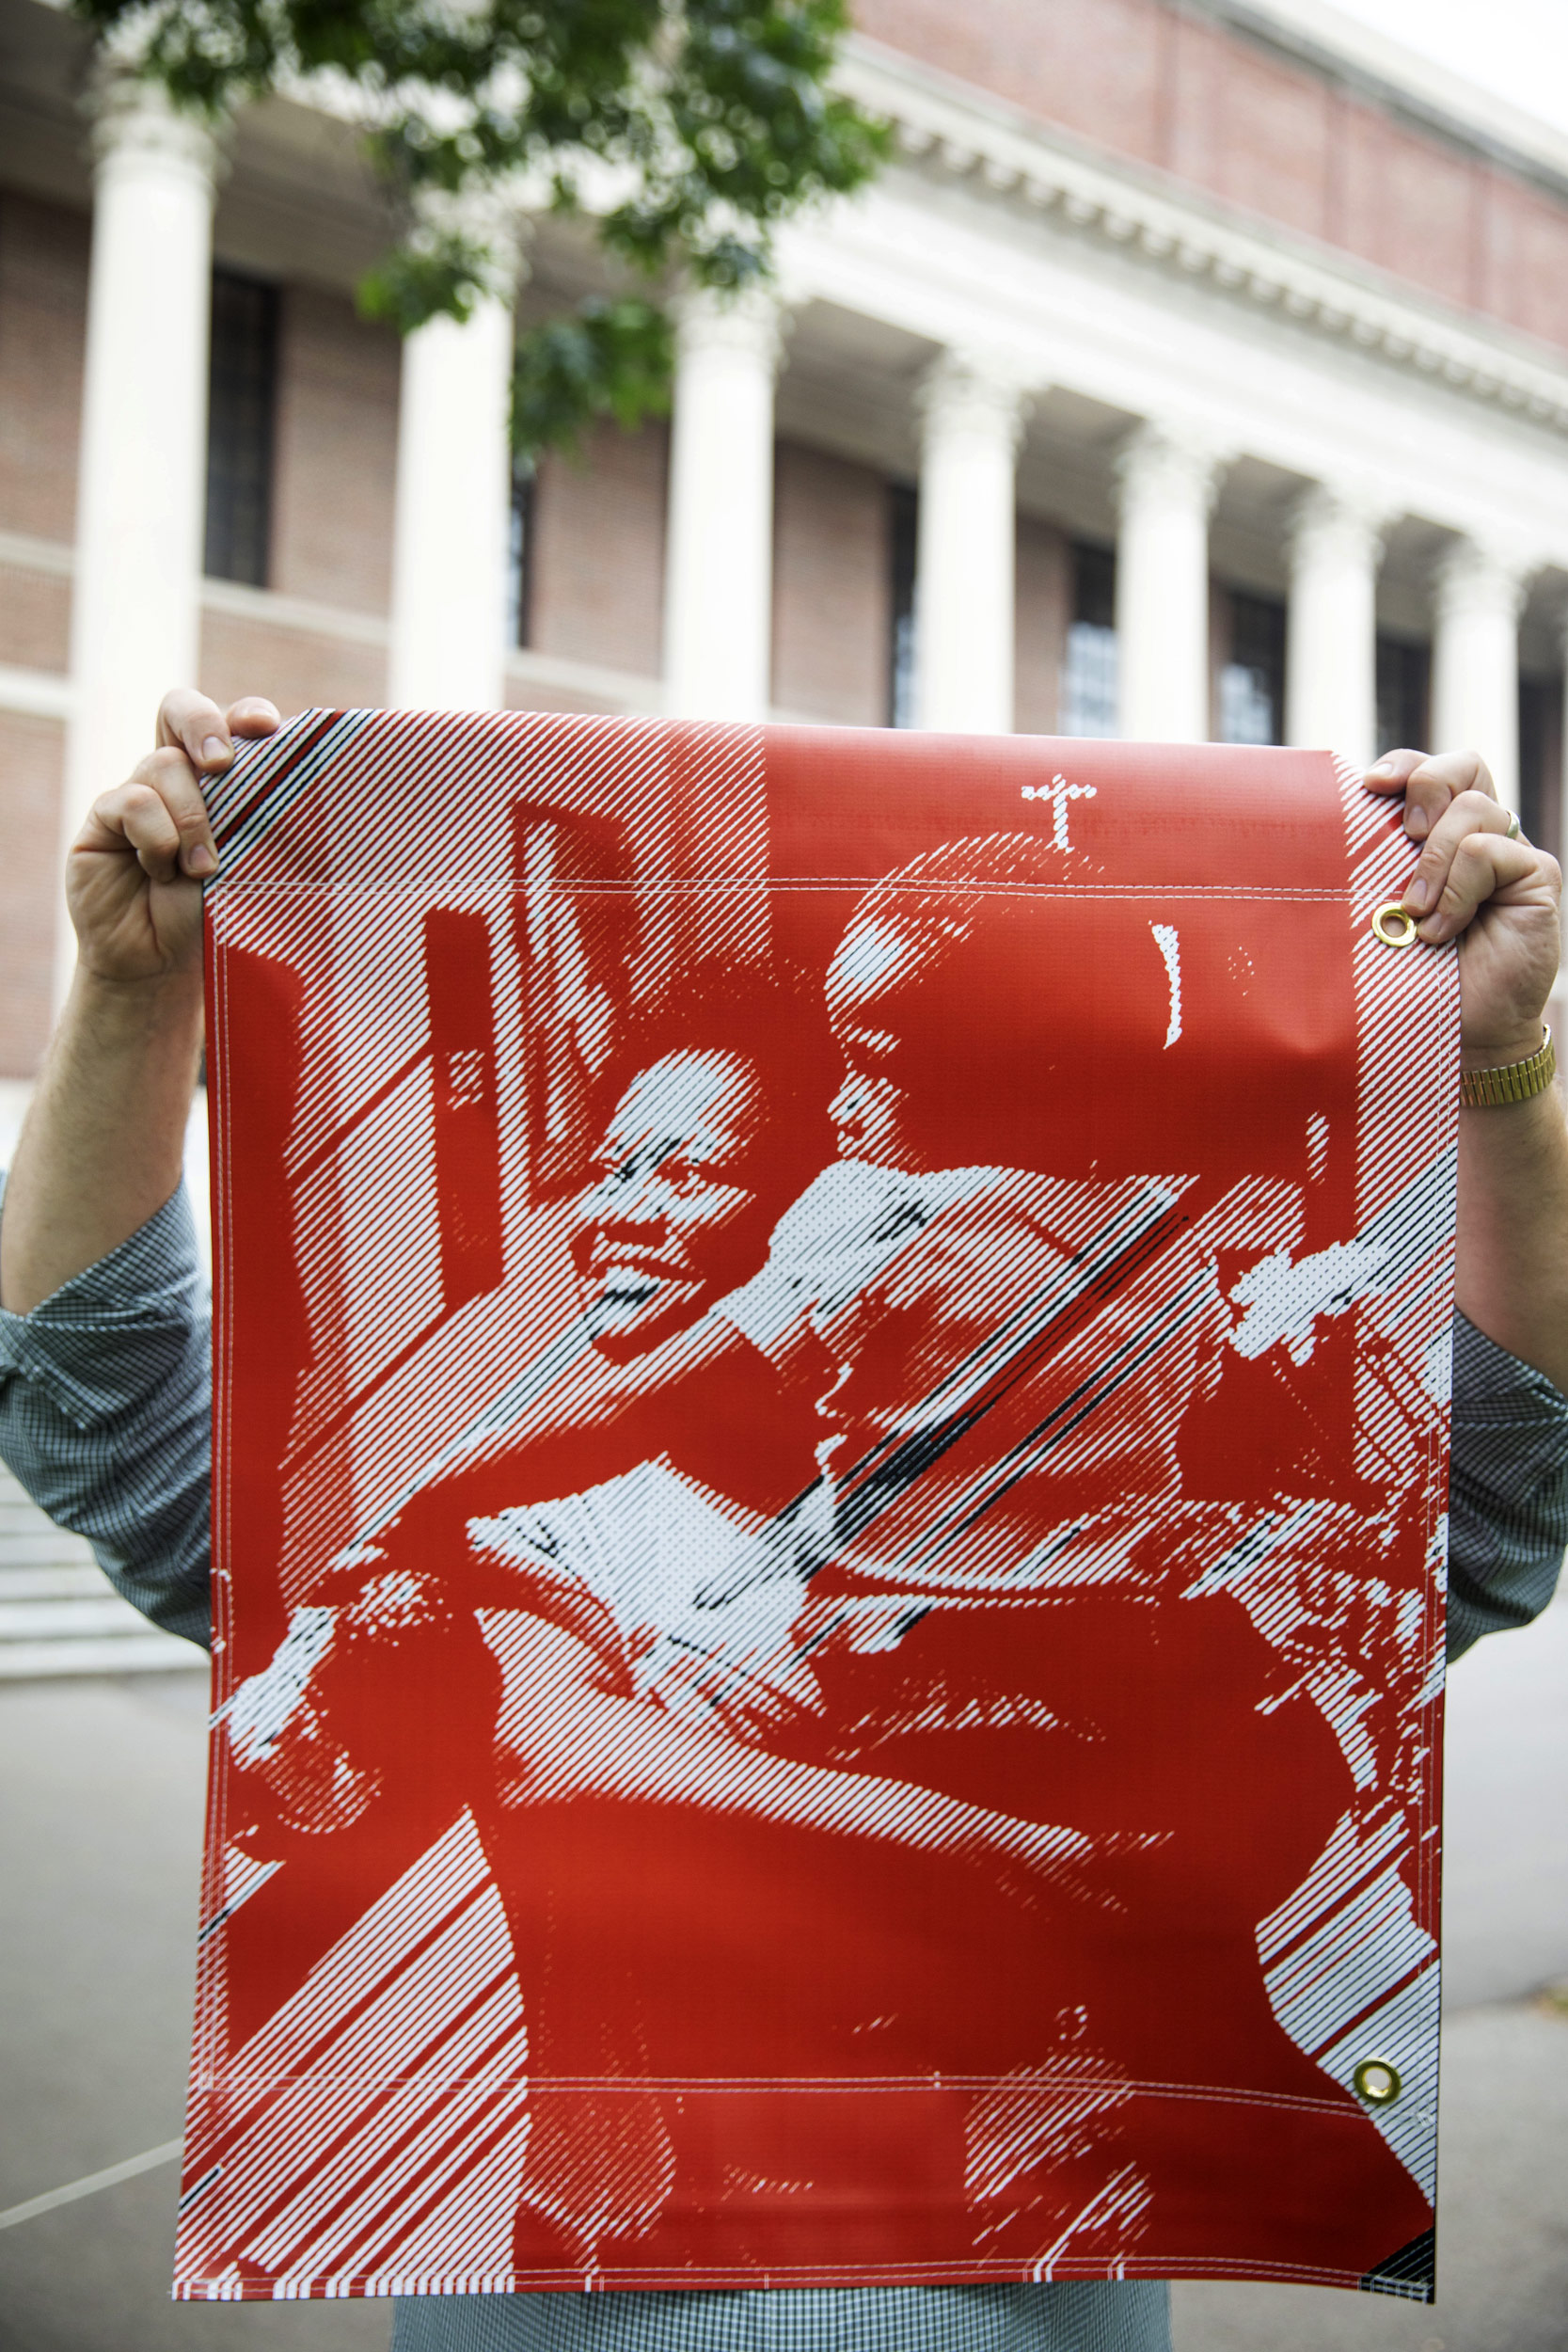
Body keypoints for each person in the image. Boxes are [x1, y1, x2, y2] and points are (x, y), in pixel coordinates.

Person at [1, 691, 1565, 2352]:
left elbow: (1495, 1493)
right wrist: (128, 992)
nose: (626, 1214)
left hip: (1030, 2253)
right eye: (613, 1164)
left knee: (1212, 1983)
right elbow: (111, 1421)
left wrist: (1502, 1074)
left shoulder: (960, 1324)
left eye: (699, 1175)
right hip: (614, 2272)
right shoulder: (550, 1528)